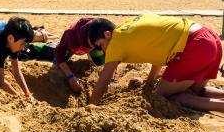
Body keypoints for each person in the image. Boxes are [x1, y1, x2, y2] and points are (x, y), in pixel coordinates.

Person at [87, 15, 224, 112]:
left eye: (100, 46)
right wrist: (149, 82)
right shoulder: (129, 25)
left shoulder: (116, 42)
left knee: (167, 96)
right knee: (195, 91)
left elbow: (103, 81)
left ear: (107, 35)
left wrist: (91, 107)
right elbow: (157, 53)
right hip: (210, 37)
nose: (102, 51)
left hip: (196, 45)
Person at [54, 18, 105, 93]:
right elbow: (59, 54)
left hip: (94, 42)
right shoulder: (70, 36)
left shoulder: (100, 32)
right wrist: (70, 76)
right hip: (72, 43)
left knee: (100, 63)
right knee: (57, 63)